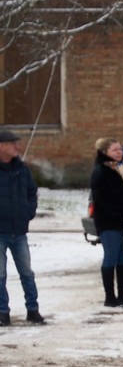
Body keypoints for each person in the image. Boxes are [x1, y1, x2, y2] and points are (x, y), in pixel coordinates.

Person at [90, 137, 123, 307]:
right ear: (105, 153)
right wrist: (122, 211)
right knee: (111, 257)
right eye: (115, 150)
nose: (119, 153)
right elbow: (102, 199)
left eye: (120, 149)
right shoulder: (100, 171)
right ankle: (109, 296)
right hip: (109, 222)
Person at [0, 129, 45, 326]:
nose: (16, 147)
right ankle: (3, 312)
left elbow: (31, 192)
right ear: (1, 146)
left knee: (26, 272)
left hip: (19, 231)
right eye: (12, 143)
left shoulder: (22, 168)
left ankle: (33, 309)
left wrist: (29, 211)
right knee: (0, 275)